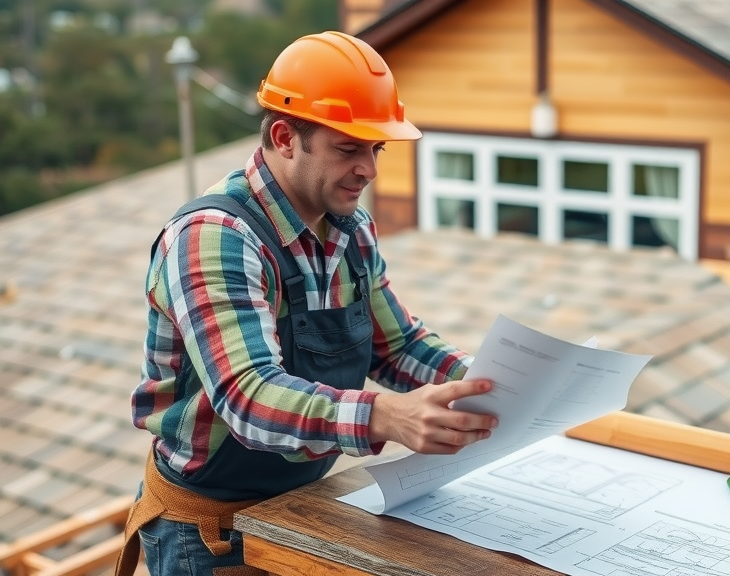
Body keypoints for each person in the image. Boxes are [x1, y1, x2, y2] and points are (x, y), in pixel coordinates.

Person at [115, 31, 498, 576]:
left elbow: (398, 345)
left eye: (375, 148)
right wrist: (386, 416)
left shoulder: (351, 231)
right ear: (285, 137)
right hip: (209, 538)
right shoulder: (215, 238)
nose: (369, 169)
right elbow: (249, 396)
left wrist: (488, 385)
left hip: (301, 512)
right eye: (349, 148)